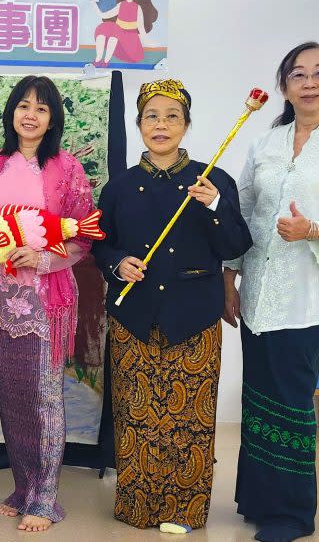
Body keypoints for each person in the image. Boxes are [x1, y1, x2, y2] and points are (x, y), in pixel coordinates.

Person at [225, 42, 319, 542]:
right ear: (284, 86)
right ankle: (258, 500)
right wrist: (228, 276)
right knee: (257, 397)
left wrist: (313, 229)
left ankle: (290, 515)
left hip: (305, 297)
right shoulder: (265, 143)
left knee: (290, 401)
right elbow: (242, 209)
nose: (309, 83)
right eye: (298, 74)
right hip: (256, 293)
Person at [92, 79, 252, 533]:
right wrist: (117, 263)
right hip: (134, 316)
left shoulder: (213, 179)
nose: (160, 125)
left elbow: (236, 244)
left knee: (189, 419)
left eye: (172, 117)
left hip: (194, 316)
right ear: (139, 123)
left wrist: (215, 205)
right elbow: (100, 244)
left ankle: (185, 509)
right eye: (151, 116)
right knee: (136, 415)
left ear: (186, 124)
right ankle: (137, 506)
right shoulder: (120, 186)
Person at [0, 76, 96, 532]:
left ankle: (45, 498)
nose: (31, 115)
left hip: (43, 300)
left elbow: (84, 235)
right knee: (12, 397)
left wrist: (42, 258)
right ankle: (23, 487)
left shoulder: (67, 168)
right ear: (12, 112)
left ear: (52, 118)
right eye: (24, 106)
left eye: (41, 108)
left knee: (44, 397)